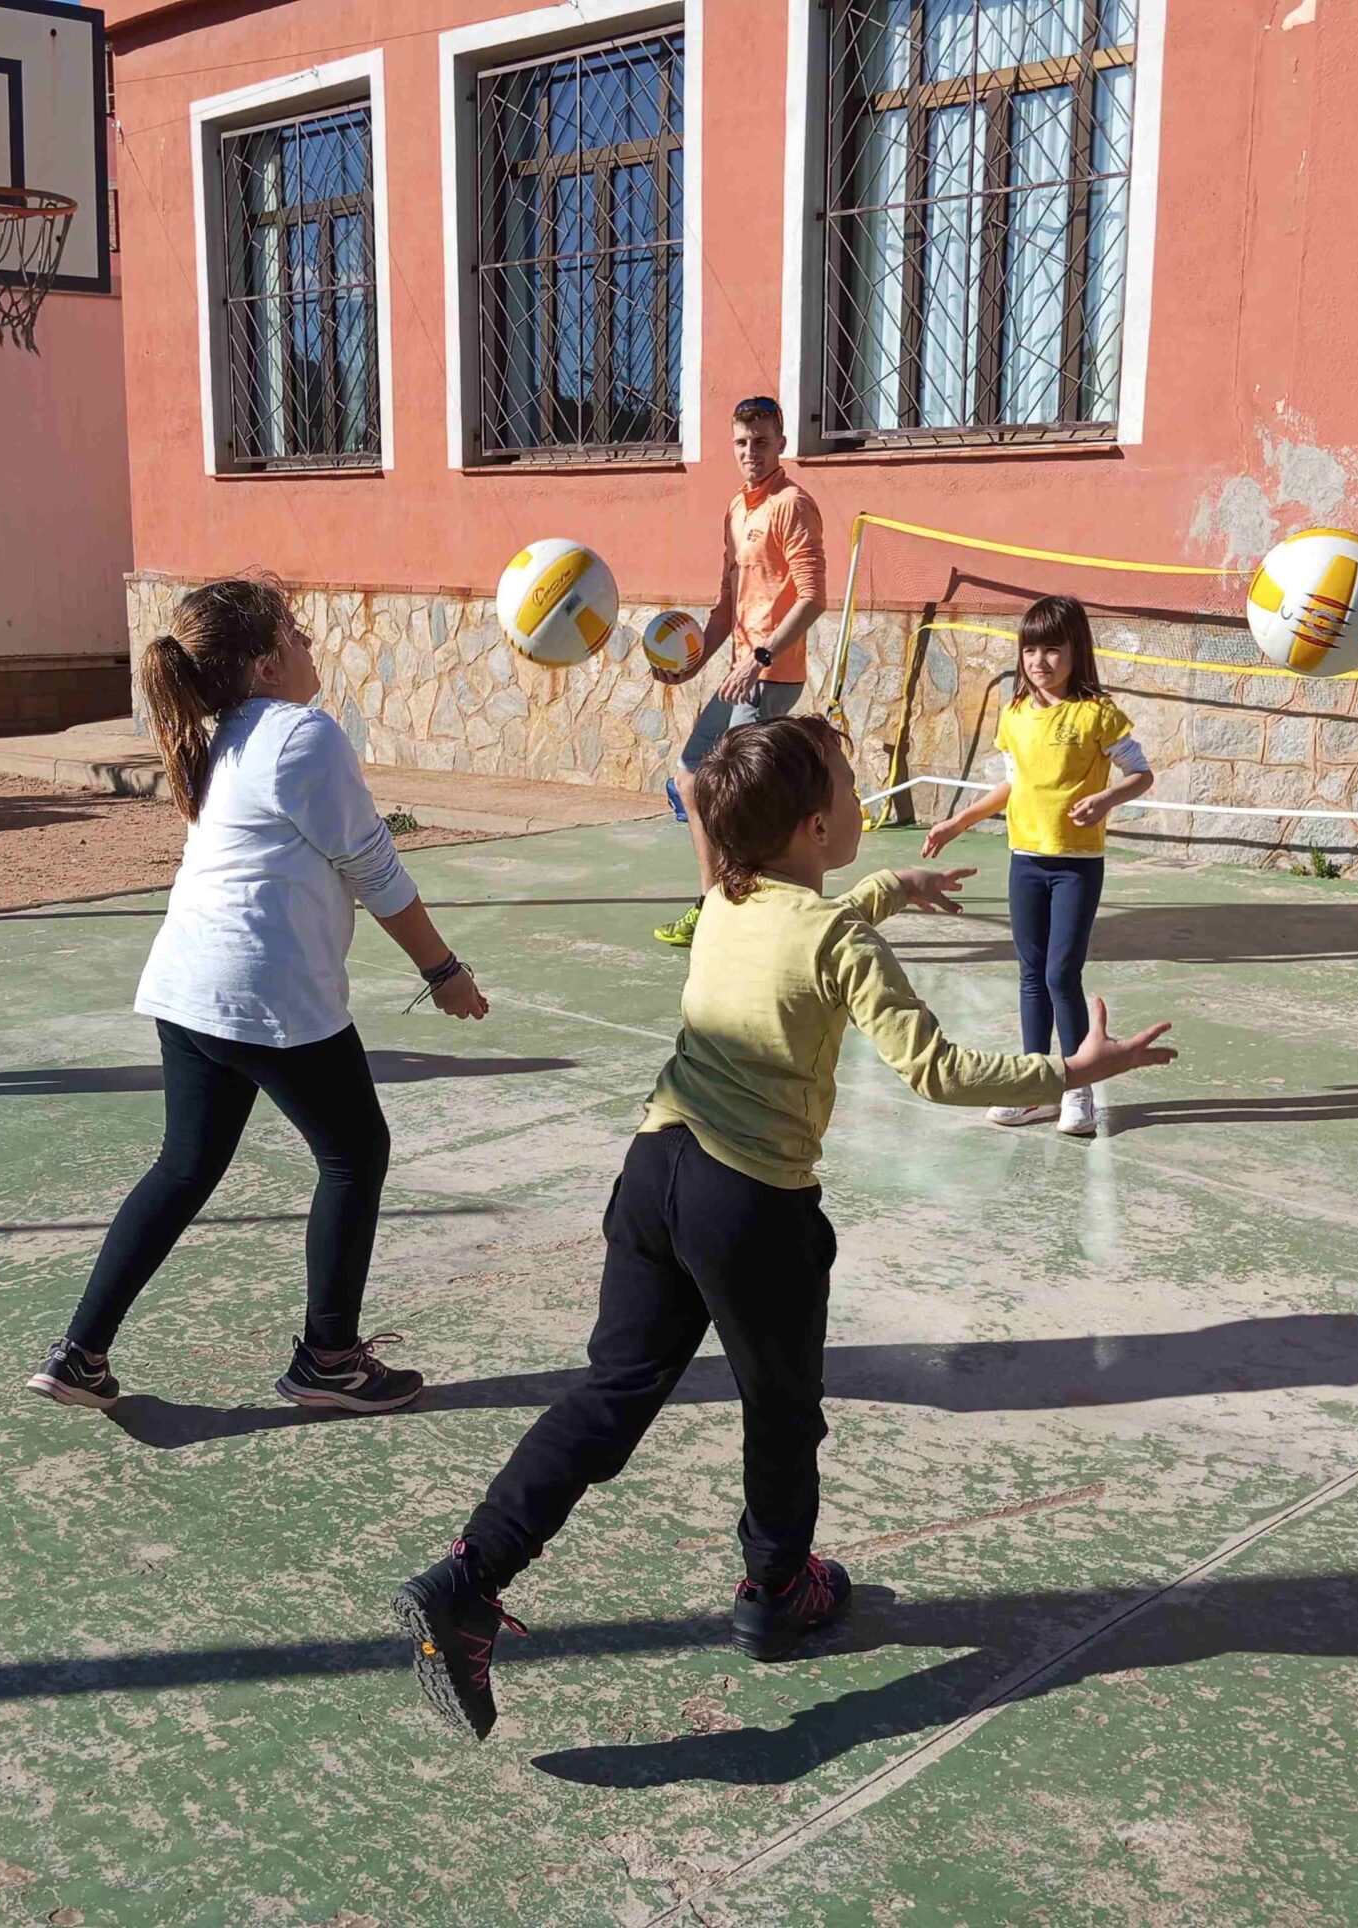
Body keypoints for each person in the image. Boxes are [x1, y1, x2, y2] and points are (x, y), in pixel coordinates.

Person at [393, 714, 1176, 1740]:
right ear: (814, 824)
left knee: (612, 1391)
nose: (866, 802)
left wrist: (889, 891)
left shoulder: (728, 896)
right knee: (780, 1406)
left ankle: (465, 1576)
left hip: (654, 1168)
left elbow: (800, 927)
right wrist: (1068, 1071)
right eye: (854, 789)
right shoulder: (836, 937)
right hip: (749, 1204)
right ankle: (775, 1591)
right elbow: (935, 1067)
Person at [26, 575, 488, 1414]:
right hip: (264, 994)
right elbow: (374, 868)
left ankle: (79, 1353)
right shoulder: (302, 735)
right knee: (355, 1154)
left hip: (188, 987)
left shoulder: (226, 735)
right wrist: (443, 972)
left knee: (186, 1165)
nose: (313, 646)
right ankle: (330, 1359)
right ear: (270, 659)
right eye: (300, 633)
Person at [919, 596, 1154, 1137]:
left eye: (1053, 649)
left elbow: (1140, 774)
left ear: (1077, 652)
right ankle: (1036, 1089)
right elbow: (1012, 785)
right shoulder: (1016, 716)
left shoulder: (1097, 713)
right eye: (1030, 649)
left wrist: (1106, 800)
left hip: (1076, 867)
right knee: (1030, 976)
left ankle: (1077, 1090)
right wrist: (958, 823)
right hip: (1024, 861)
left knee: (1059, 974)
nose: (1039, 661)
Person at [649, 395, 827, 948]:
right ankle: (713, 903)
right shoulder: (735, 509)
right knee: (689, 777)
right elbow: (727, 604)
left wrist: (762, 656)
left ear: (782, 443)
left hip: (770, 673)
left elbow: (815, 598)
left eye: (762, 441)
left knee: (736, 798)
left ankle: (744, 914)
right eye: (742, 443)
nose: (751, 452)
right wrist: (694, 661)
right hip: (738, 672)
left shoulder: (792, 505)